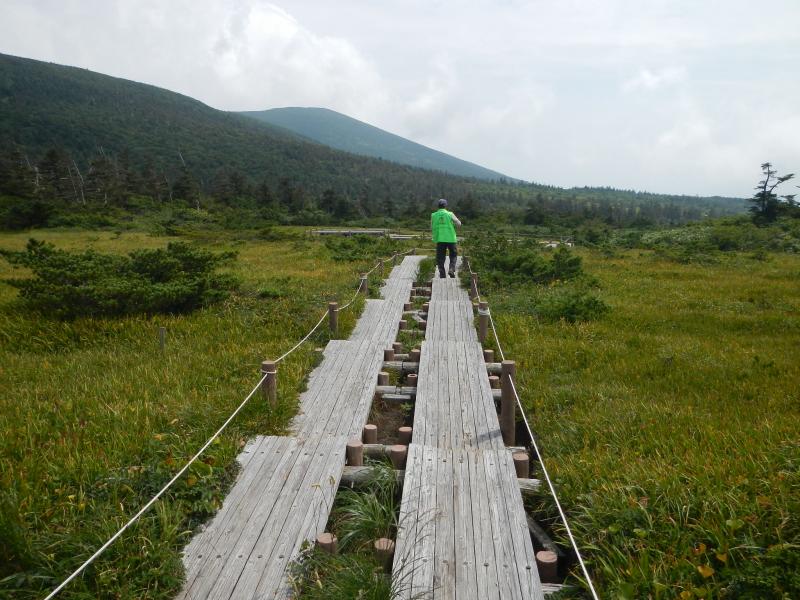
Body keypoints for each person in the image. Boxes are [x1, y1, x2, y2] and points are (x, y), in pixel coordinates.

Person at [431, 198, 461, 278]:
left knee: (440, 257)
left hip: (440, 239)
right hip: (451, 238)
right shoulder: (450, 214)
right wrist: (454, 225)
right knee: (453, 255)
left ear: (438, 206)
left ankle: (442, 275)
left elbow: (431, 227)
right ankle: (451, 269)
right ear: (445, 206)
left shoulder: (433, 215)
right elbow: (459, 223)